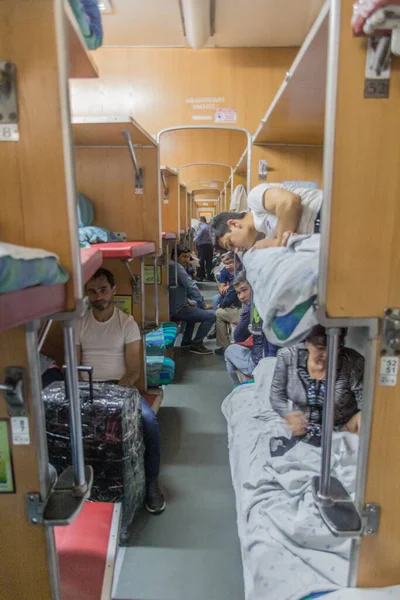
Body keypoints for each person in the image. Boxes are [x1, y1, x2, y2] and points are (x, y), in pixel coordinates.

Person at [75, 268, 165, 515]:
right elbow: (74, 366)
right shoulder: (79, 324)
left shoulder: (126, 323)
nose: (98, 296)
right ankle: (78, 485)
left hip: (119, 387)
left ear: (113, 291)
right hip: (87, 389)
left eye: (103, 290)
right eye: (92, 292)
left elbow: (134, 370)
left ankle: (151, 484)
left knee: (149, 422)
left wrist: (112, 395)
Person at [270, 325, 364, 447]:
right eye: (320, 348)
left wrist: (358, 418)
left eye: (336, 348)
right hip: (302, 430)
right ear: (306, 343)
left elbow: (366, 403)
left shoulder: (353, 362)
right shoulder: (287, 357)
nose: (327, 354)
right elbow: (276, 396)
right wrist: (288, 414)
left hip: (342, 432)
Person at [211, 183, 322, 251]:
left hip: (323, 213)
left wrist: (278, 242)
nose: (236, 250)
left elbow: (289, 201)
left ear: (234, 224)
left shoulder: (255, 199)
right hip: (320, 236)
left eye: (230, 244)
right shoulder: (264, 235)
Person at [224, 272, 278, 384]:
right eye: (238, 293)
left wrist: (245, 314)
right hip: (274, 360)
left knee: (229, 350)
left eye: (244, 290)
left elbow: (238, 336)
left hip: (259, 363)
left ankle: (239, 387)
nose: (241, 296)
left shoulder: (252, 307)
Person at [169, 244, 215, 355]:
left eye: (188, 257)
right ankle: (196, 344)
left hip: (178, 304)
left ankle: (186, 341)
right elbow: (190, 286)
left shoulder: (172, 265)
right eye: (184, 257)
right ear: (175, 256)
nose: (187, 260)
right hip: (177, 309)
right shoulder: (176, 267)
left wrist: (190, 300)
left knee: (194, 305)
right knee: (212, 315)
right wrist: (202, 305)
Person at [214, 262, 243, 356]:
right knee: (217, 300)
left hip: (246, 312)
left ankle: (225, 347)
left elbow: (230, 296)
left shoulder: (239, 277)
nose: (229, 265)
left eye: (231, 262)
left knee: (219, 312)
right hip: (248, 309)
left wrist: (222, 306)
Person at [194, 216, 214, 281]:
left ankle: (200, 277)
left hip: (202, 246)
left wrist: (194, 241)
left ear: (201, 221)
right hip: (210, 246)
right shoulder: (210, 227)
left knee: (201, 261)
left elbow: (198, 236)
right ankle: (210, 277)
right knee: (209, 262)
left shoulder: (202, 227)